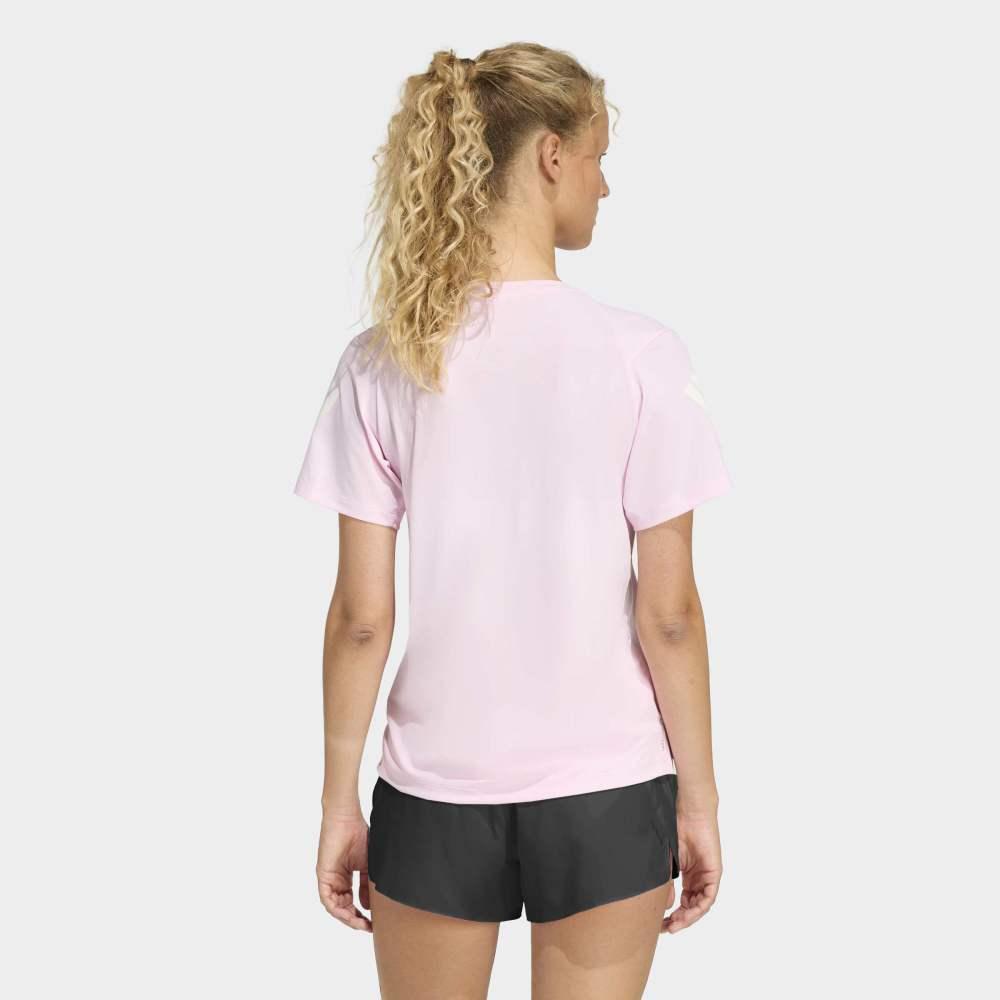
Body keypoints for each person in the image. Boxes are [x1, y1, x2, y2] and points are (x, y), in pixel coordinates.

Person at [293, 41, 734, 1000]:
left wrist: (337, 802)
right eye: (598, 156)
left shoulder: (383, 360)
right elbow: (669, 615)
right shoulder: (640, 355)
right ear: (550, 155)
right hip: (609, 787)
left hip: (433, 790)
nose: (605, 185)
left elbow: (361, 619)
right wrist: (698, 801)